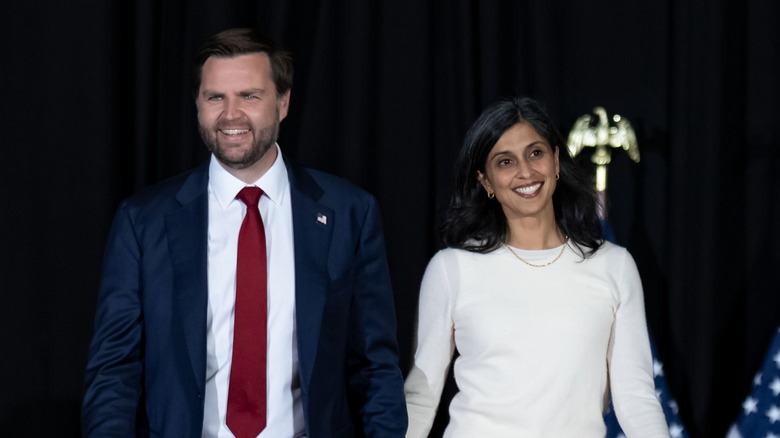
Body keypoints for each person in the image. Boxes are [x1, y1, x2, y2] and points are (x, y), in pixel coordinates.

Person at [81, 28, 407, 438]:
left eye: (249, 96)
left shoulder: (349, 212)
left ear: (283, 103)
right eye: (215, 97)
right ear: (198, 105)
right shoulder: (143, 219)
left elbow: (375, 367)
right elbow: (115, 367)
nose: (230, 115)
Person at [403, 97, 670, 437]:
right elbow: (420, 398)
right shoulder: (451, 269)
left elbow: (636, 398)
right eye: (505, 162)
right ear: (485, 181)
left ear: (556, 160)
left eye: (536, 153)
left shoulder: (614, 266)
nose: (525, 172)